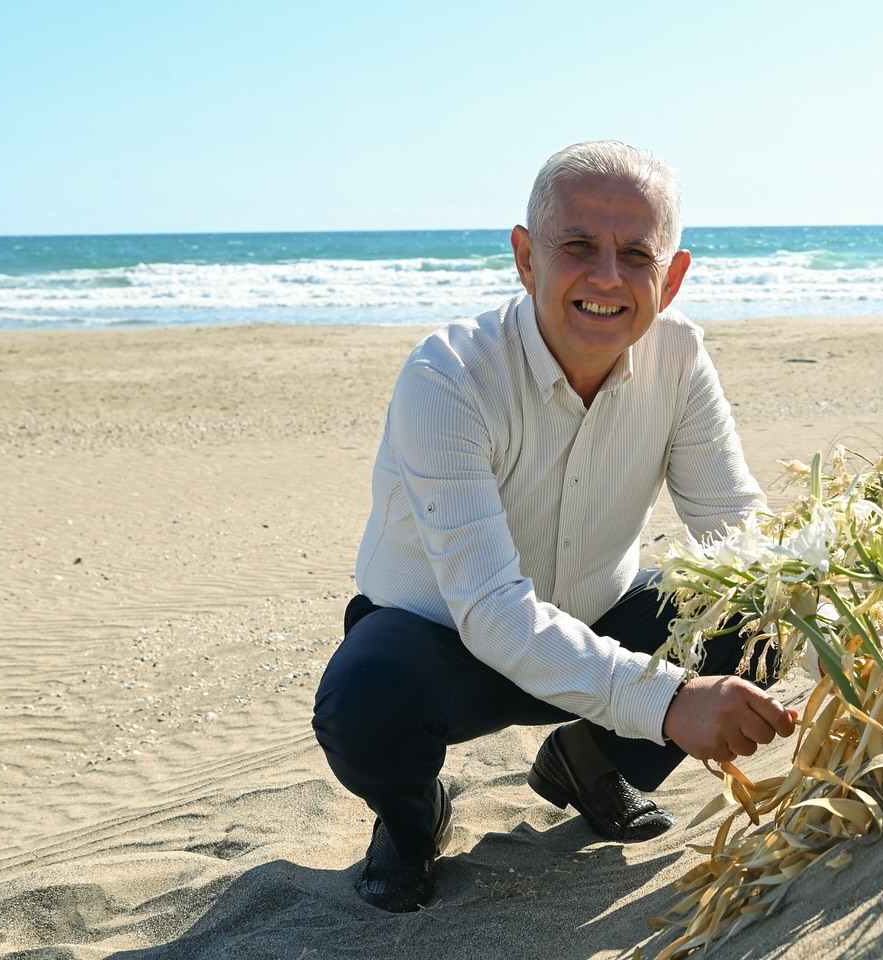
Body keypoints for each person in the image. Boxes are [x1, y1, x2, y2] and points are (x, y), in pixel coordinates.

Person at [311, 140, 798, 913]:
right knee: (364, 701)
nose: (606, 277)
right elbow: (491, 609)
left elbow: (735, 527)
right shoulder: (447, 375)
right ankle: (410, 821)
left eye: (635, 254)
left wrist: (855, 644)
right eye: (577, 245)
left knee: (762, 608)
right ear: (525, 257)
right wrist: (672, 702)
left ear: (671, 278)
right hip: (441, 645)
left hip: (598, 616)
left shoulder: (679, 357)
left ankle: (591, 762)